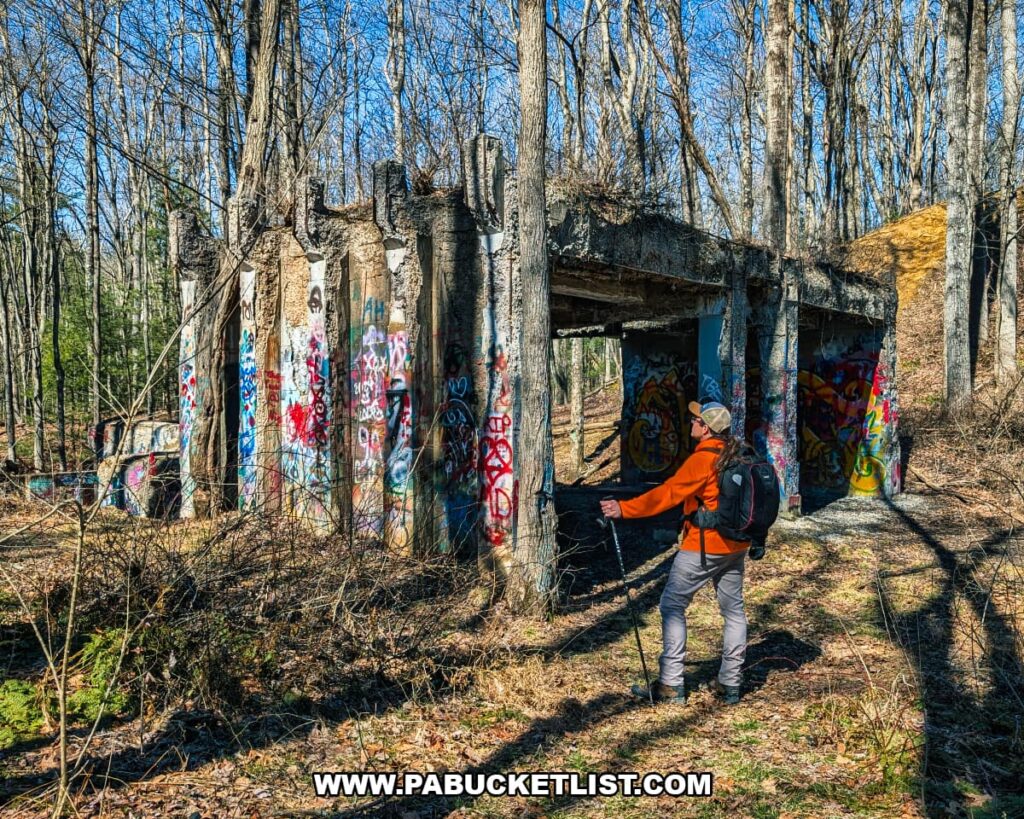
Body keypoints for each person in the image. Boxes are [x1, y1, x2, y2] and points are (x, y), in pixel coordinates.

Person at [600, 400, 748, 705]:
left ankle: (670, 684)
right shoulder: (737, 453)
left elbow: (668, 493)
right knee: (733, 612)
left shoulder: (703, 459)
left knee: (672, 605)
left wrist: (624, 509)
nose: (690, 422)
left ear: (705, 428)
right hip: (736, 544)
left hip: (704, 544)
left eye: (694, 419)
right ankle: (730, 685)